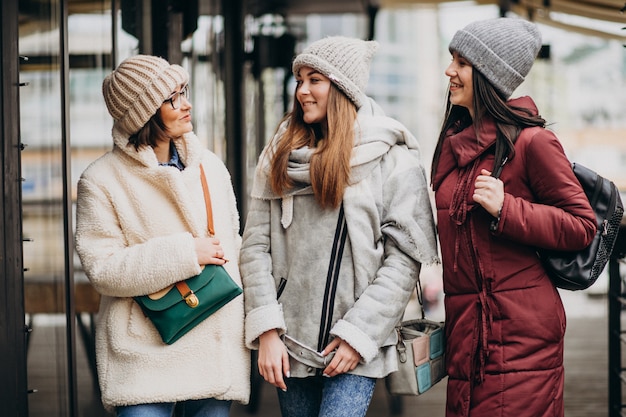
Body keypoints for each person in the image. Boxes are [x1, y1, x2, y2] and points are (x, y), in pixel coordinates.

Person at [239, 36, 439, 417]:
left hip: (356, 346)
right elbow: (254, 248)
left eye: (315, 79)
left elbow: (403, 261)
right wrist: (267, 330)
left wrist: (357, 336)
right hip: (289, 344)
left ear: (343, 88)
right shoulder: (279, 156)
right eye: (300, 80)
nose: (302, 91)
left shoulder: (392, 159)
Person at [430, 17, 597, 416]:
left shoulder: (533, 142)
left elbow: (583, 226)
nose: (449, 71)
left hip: (522, 338)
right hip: (468, 333)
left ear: (489, 75)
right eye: (451, 59)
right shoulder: (454, 144)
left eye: (462, 63)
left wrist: (509, 208)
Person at [74, 55, 249, 416]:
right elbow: (103, 269)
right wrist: (186, 252)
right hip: (143, 356)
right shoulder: (101, 179)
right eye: (172, 98)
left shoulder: (210, 167)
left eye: (183, 92)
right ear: (145, 114)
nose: (186, 104)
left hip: (214, 351)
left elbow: (237, 247)